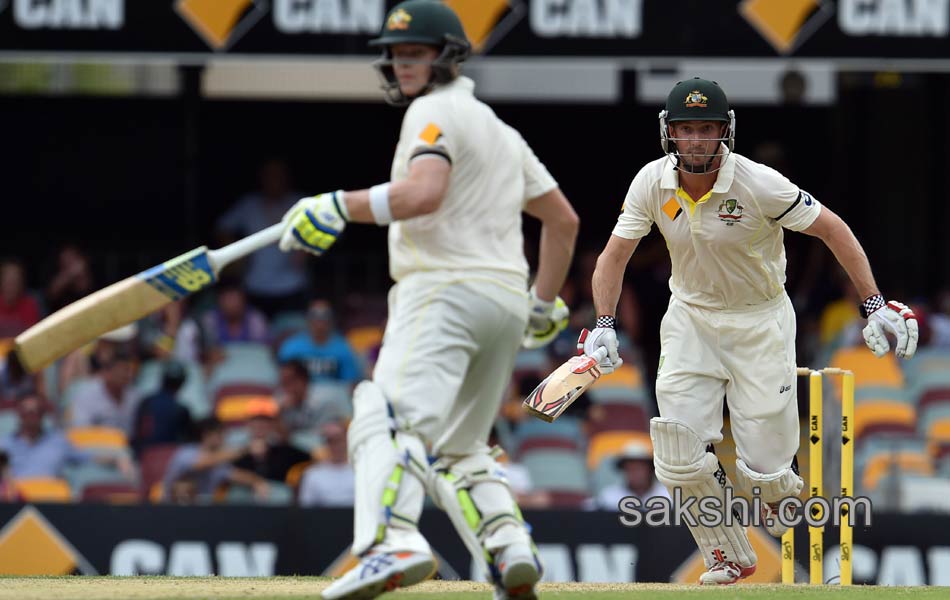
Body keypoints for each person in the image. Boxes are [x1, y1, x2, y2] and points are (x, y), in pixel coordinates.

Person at [276, 2, 579, 598]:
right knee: (461, 448)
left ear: (447, 55)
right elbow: (563, 222)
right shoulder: (501, 131)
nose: (402, 63)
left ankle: (391, 541)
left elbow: (423, 193)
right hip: (503, 301)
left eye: (415, 52)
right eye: (396, 54)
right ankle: (508, 550)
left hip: (443, 289)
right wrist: (541, 304)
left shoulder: (432, 111)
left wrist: (337, 205)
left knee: (383, 415)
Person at [583, 77, 919, 585]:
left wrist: (872, 303)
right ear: (668, 133)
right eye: (685, 129)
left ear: (725, 132)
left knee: (766, 476)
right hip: (690, 318)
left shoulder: (760, 183)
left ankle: (815, 557)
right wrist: (604, 321)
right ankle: (729, 555)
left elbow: (832, 228)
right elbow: (613, 256)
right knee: (676, 453)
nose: (695, 140)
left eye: (706, 129)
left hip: (759, 321)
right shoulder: (651, 182)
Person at [215, 159, 309, 317]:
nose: (274, 180)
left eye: (278, 175)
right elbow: (222, 227)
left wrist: (307, 248)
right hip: (255, 285)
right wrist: (237, 257)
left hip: (293, 285)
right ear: (261, 178)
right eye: (269, 176)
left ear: (287, 178)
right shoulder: (249, 205)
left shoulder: (302, 204)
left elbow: (332, 229)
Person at [277, 300, 361, 385]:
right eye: (314, 315)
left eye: (325, 316)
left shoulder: (343, 348)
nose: (319, 321)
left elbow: (350, 383)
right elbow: (284, 381)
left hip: (333, 394)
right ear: (307, 318)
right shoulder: (291, 347)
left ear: (331, 319)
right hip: (300, 394)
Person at [131, 361, 194, 456]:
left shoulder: (146, 401)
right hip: (165, 458)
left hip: (142, 455)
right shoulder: (181, 409)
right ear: (182, 383)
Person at [590, 440, 669, 511]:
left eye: (639, 468)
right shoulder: (609, 498)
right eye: (630, 468)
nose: (635, 473)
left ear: (650, 469)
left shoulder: (669, 497)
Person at [298, 421, 355, 508]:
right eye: (331, 441)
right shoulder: (312, 474)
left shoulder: (360, 472)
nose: (337, 446)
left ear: (347, 441)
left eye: (339, 440)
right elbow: (306, 509)